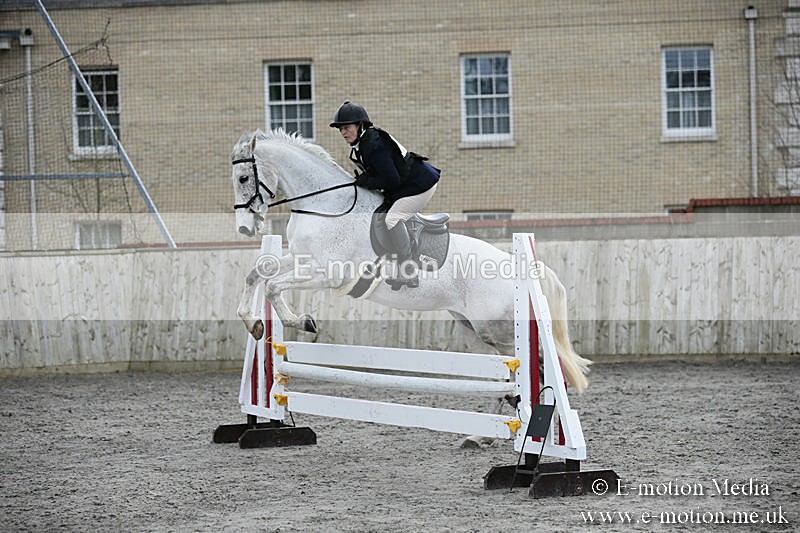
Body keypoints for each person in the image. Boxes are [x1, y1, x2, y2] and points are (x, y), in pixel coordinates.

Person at [330, 101, 440, 289]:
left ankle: (409, 271)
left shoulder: (374, 144)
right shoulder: (363, 145)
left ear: (360, 125)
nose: (343, 132)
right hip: (406, 186)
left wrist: (367, 181)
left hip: (421, 186)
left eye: (346, 127)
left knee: (392, 219)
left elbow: (392, 180)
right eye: (340, 129)